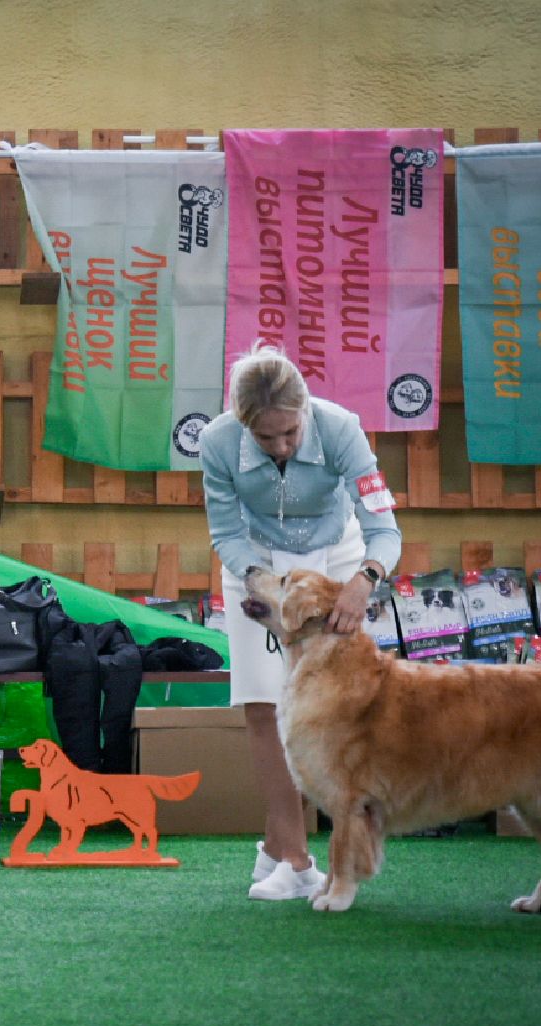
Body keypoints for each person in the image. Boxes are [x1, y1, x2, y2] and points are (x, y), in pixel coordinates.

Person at [198, 342, 401, 901]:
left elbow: (385, 527)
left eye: (290, 432)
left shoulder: (342, 429)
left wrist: (365, 580)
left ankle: (274, 847)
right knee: (264, 705)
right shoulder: (215, 443)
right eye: (266, 438)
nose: (282, 446)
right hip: (257, 567)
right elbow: (226, 533)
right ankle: (297, 859)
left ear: (306, 409)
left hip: (339, 560)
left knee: (329, 707)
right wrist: (263, 588)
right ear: (243, 426)